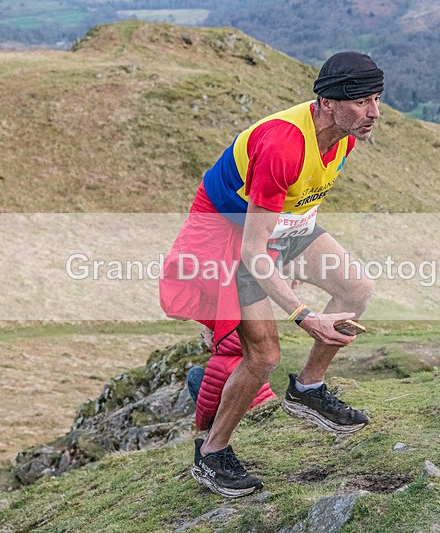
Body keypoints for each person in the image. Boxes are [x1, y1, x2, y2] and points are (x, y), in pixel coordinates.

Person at [160, 51, 383, 498]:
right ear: (327, 103)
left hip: (277, 228)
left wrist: (289, 257)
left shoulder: (344, 137)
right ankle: (211, 453)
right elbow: (252, 251)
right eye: (361, 102)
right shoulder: (283, 146)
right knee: (263, 356)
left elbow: (304, 195)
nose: (374, 113)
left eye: (376, 100)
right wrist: (303, 315)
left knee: (356, 288)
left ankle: (308, 388)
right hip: (227, 234)